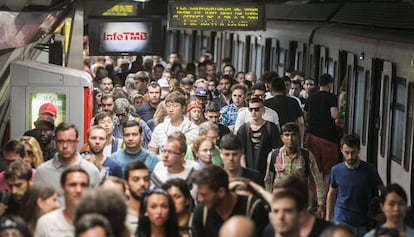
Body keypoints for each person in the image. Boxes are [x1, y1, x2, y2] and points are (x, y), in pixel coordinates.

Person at [326, 135, 384, 237]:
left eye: (353, 152)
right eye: (346, 152)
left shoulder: (369, 170)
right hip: (342, 219)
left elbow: (383, 190)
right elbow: (331, 193)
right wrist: (327, 217)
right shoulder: (336, 170)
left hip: (362, 221)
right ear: (341, 150)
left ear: (358, 150)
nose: (350, 157)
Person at [264, 122, 326, 217]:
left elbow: (318, 180)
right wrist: (269, 202)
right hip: (279, 201)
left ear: (298, 136)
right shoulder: (273, 155)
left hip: (299, 202)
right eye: (287, 135)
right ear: (282, 138)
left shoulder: (306, 155)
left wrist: (321, 203)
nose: (290, 139)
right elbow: (268, 180)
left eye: (293, 135)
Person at [191, 165, 269, 237]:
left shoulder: (254, 209)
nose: (199, 199)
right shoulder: (202, 212)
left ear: (221, 192)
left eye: (204, 195)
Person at [34, 123, 101, 195]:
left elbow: (97, 204)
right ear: (55, 142)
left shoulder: (92, 171)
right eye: (61, 141)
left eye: (69, 141)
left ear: (77, 142)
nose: (65, 146)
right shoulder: (42, 172)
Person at [262, 176, 332, 237]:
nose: (280, 216)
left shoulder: (328, 231)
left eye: (287, 211)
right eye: (276, 211)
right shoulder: (270, 231)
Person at [305, 74, 342, 182]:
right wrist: (341, 115)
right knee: (329, 170)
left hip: (312, 136)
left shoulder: (311, 97)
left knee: (314, 170)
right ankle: (324, 197)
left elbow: (306, 115)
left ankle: (312, 198)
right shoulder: (331, 97)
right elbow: (334, 115)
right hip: (328, 137)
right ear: (330, 84)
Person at [35, 166, 90, 237]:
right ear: (62, 188)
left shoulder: (99, 222)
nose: (78, 190)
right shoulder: (46, 223)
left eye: (83, 185)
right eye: (73, 185)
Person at [237, 97, 281, 177]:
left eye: (256, 109)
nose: (253, 112)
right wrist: (244, 171)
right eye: (251, 109)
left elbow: (277, 151)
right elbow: (241, 153)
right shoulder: (243, 129)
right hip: (248, 172)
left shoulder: (271, 127)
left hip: (268, 171)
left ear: (263, 110)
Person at [264, 76, 304, 146]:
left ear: (271, 90)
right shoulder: (294, 102)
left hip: (272, 140)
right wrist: (300, 141)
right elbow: (301, 123)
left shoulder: (267, 103)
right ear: (284, 89)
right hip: (291, 138)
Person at [124, 160, 151, 234]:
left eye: (146, 179)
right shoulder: (120, 215)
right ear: (126, 184)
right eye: (136, 179)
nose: (142, 183)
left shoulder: (156, 212)